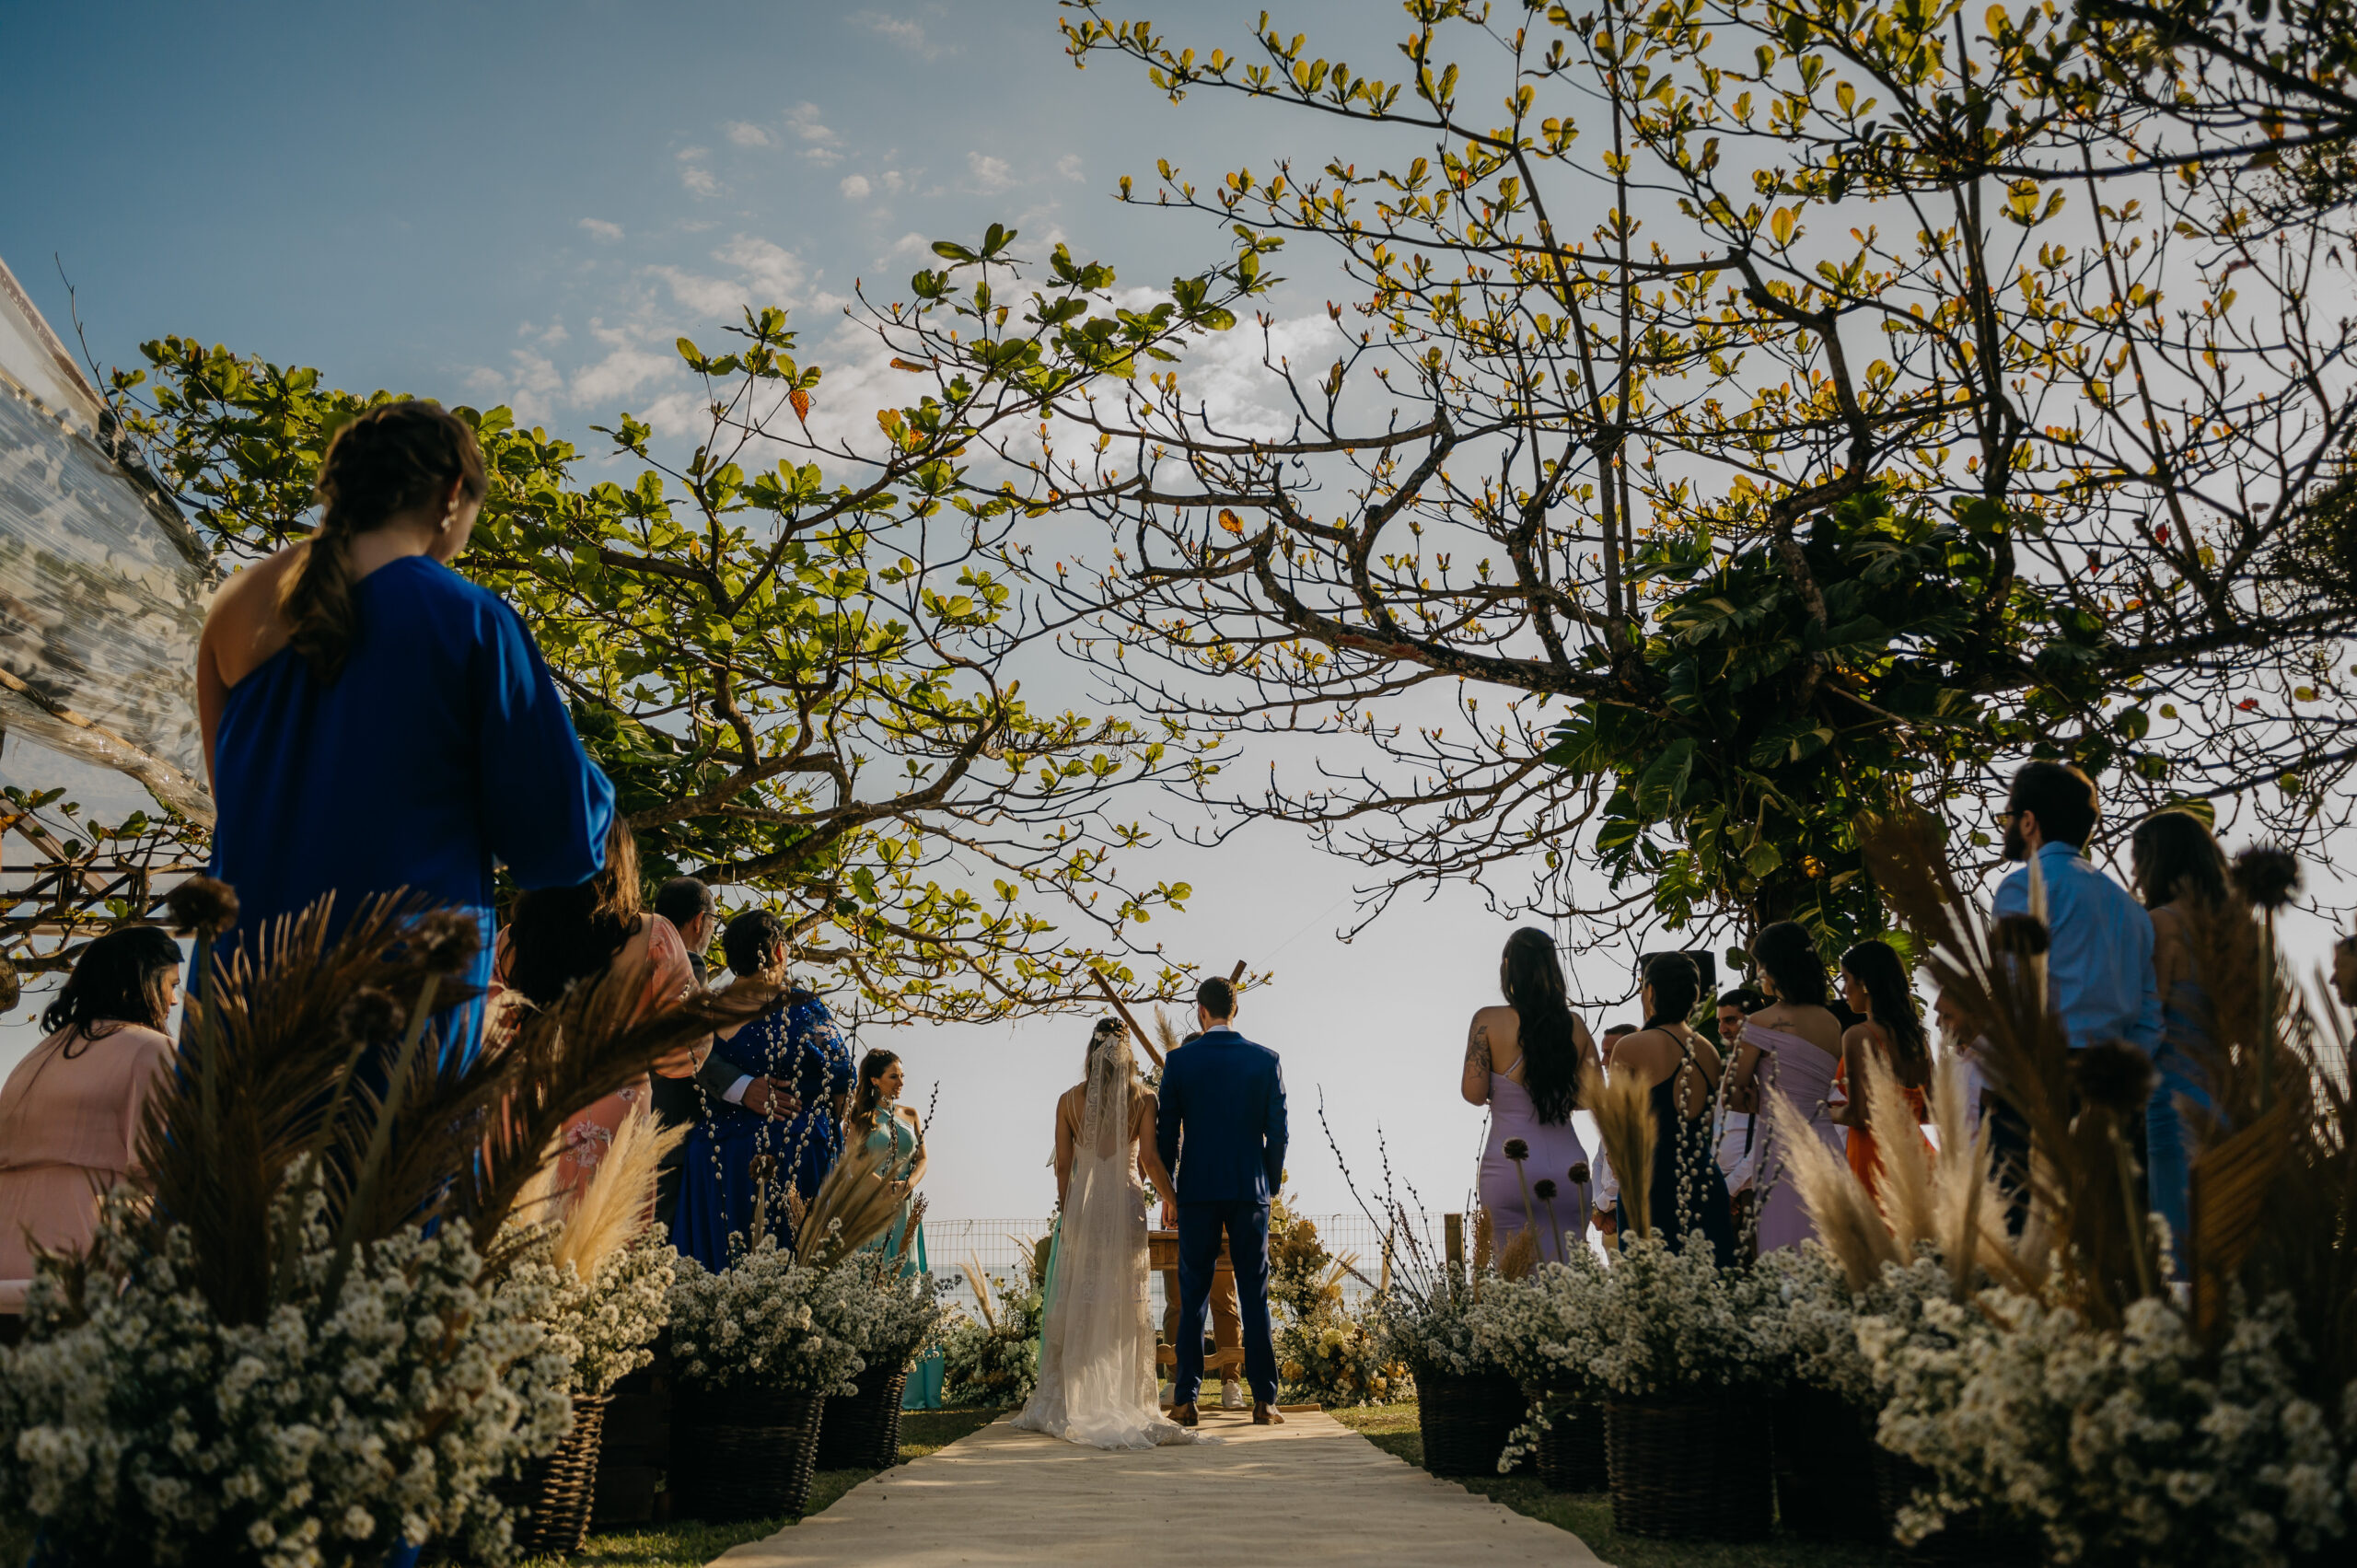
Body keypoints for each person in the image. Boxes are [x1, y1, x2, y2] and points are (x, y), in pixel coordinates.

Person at [198, 401, 614, 1061]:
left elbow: (240, 807)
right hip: (394, 1010)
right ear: (453, 493)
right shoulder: (472, 620)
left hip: (238, 1006)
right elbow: (556, 844)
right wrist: (590, 783)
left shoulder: (236, 603)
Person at [493, 819, 704, 1199]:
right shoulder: (652, 936)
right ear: (621, 864)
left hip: (526, 1113)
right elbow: (685, 1054)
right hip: (612, 1115)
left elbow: (487, 1038)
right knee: (604, 1250)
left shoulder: (511, 940)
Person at [1013, 1018, 1195, 1449]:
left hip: (1084, 1205)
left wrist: (1067, 1208)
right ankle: (1121, 1396)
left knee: (1081, 1294)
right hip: (1127, 1203)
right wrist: (1172, 1200)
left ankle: (1070, 1396)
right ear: (1127, 1053)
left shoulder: (1068, 1101)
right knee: (1124, 1299)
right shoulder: (1143, 1099)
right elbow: (1150, 1160)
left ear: (1091, 1051)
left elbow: (1063, 1166)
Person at [670, 909, 853, 1271]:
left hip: (718, 1159)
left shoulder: (706, 1010)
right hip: (794, 1154)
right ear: (781, 952)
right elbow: (842, 1074)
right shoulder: (802, 1006)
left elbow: (688, 1066)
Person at [0, 927, 181, 1285]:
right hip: (91, 1259)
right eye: (172, 985)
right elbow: (168, 1160)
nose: (175, 1001)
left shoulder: (37, 1057)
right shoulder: (152, 1050)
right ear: (145, 981)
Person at [1155, 975, 1288, 1427]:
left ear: (1200, 1011)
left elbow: (1166, 1135)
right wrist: (1266, 1182)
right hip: (1250, 1193)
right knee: (1255, 1295)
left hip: (1196, 1194)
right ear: (1236, 1010)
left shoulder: (1180, 1062)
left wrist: (1171, 1193)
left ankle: (1186, 1399)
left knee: (1192, 1296)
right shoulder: (1265, 1061)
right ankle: (1265, 1401)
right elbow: (1279, 1132)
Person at [1993, 761, 2163, 1054]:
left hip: (2046, 1064)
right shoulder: (2130, 907)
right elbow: (2150, 1014)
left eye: (2008, 816)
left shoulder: (2023, 886)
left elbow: (2013, 991)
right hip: (2114, 1075)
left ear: (2028, 821)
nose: (2005, 825)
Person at [2129, 808, 2233, 1275]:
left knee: (2176, 1228)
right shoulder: (2232, 930)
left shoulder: (2160, 924)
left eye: (2139, 860)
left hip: (2169, 1093)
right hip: (2220, 1087)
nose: (2134, 872)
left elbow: (2149, 1017)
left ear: (2158, 862)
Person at [1463, 928, 1598, 1262]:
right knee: (1570, 1276)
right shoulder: (1575, 1026)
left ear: (1507, 967)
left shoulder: (1487, 1021)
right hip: (1570, 1168)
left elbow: (1474, 1093)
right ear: (1553, 968)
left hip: (1509, 1170)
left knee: (1514, 1283)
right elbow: (1594, 1097)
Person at [1605, 954, 1739, 1264]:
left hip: (1650, 1184)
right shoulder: (1708, 1051)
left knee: (1649, 1293)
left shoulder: (1630, 1047)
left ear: (1650, 991)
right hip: (1704, 1181)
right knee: (1710, 1292)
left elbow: (1616, 1130)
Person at [1726, 921, 1848, 1252]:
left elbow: (1731, 1093)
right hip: (1825, 1142)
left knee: (1784, 1246)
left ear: (1774, 966)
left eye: (1759, 963)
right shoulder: (1831, 1022)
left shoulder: (1760, 1023)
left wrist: (1757, 1100)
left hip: (1780, 1145)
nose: (1757, 972)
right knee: (1828, 1246)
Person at [645, 877, 749, 1224]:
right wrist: (742, 1086)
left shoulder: (632, 962)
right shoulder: (688, 963)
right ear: (699, 921)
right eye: (713, 924)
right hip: (674, 1134)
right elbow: (691, 1046)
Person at [847, 1049, 945, 1409]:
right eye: (893, 1076)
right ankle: (871, 1382)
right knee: (872, 1286)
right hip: (872, 1208)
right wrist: (882, 1183)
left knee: (909, 1283)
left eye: (902, 1076)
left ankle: (913, 1388)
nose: (901, 1082)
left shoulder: (911, 1115)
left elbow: (922, 1157)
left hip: (904, 1210)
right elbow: (853, 1162)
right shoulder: (860, 1118)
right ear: (874, 1079)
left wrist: (908, 1185)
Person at [1831, 941, 1933, 1198]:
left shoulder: (1859, 1035)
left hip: (1874, 1159)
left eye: (1846, 979)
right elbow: (1931, 1112)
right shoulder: (1917, 1039)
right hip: (1917, 1158)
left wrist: (1823, 1110)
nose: (1844, 990)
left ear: (1864, 983)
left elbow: (1859, 1115)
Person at [1712, 989, 1768, 1218]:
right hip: (1728, 1189)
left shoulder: (1766, 1067)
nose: (1723, 1029)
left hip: (1754, 1189)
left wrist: (1732, 1186)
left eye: (1731, 1020)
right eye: (1720, 1022)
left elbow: (1767, 1136)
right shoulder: (1731, 1067)